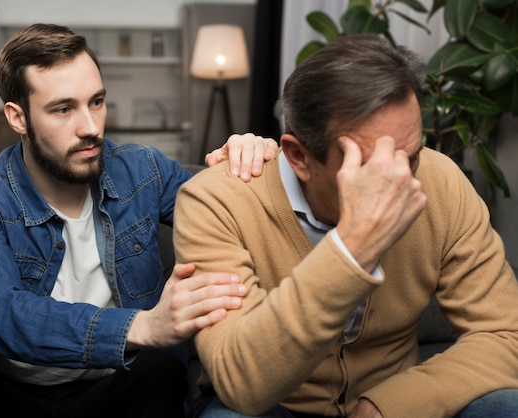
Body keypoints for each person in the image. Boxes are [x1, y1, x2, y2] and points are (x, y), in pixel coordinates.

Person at [0, 23, 278, 418]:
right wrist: (140, 327)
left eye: (96, 102)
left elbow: (227, 213)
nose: (91, 127)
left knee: (158, 368)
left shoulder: (143, 171)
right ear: (17, 117)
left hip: (114, 386)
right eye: (63, 109)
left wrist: (253, 163)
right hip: (2, 395)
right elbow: (3, 317)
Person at [173, 33, 518, 418]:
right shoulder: (215, 200)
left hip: (394, 399)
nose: (401, 181)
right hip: (271, 405)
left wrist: (390, 406)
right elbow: (242, 383)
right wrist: (353, 248)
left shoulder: (442, 181)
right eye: (371, 165)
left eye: (412, 156)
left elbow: (505, 334)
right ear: (299, 156)